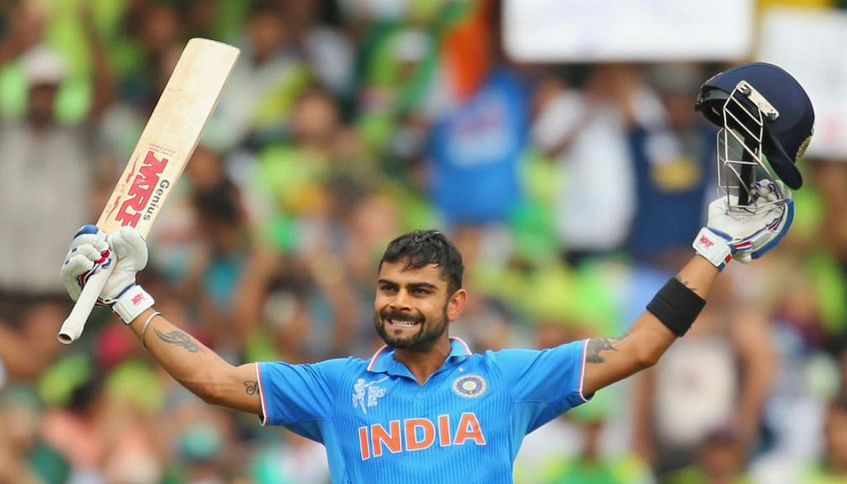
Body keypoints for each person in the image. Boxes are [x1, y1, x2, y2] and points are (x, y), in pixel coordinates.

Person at [58, 64, 807, 482]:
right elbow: (216, 380)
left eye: (419, 292)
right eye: (389, 289)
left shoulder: (508, 381)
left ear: (457, 303)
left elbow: (640, 348)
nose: (399, 303)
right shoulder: (338, 389)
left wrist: (713, 248)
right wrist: (126, 294)